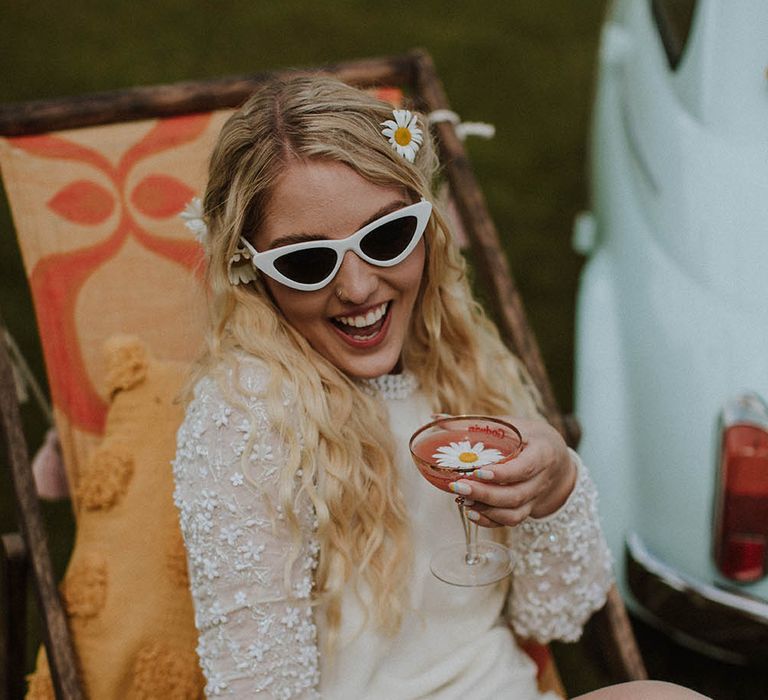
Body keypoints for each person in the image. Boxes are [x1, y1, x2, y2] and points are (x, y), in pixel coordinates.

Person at [172, 75, 708, 700]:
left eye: (385, 238)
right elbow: (258, 689)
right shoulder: (245, 420)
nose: (358, 289)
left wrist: (556, 485)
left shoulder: (462, 360)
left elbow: (552, 617)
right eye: (308, 261)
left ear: (427, 227)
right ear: (252, 273)